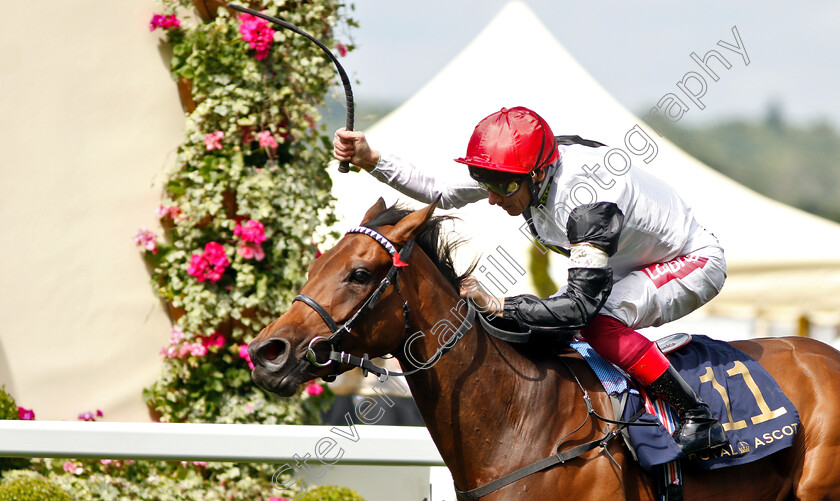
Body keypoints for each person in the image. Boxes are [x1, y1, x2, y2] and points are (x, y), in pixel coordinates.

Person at [333, 106, 727, 455]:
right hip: (627, 261)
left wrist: (502, 305)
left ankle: (697, 416)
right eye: (484, 181)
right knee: (543, 331)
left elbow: (580, 307)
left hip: (690, 258)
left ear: (539, 173)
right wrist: (371, 158)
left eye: (502, 187)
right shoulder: (515, 169)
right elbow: (441, 191)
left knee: (597, 323)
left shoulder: (586, 202)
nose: (492, 198)